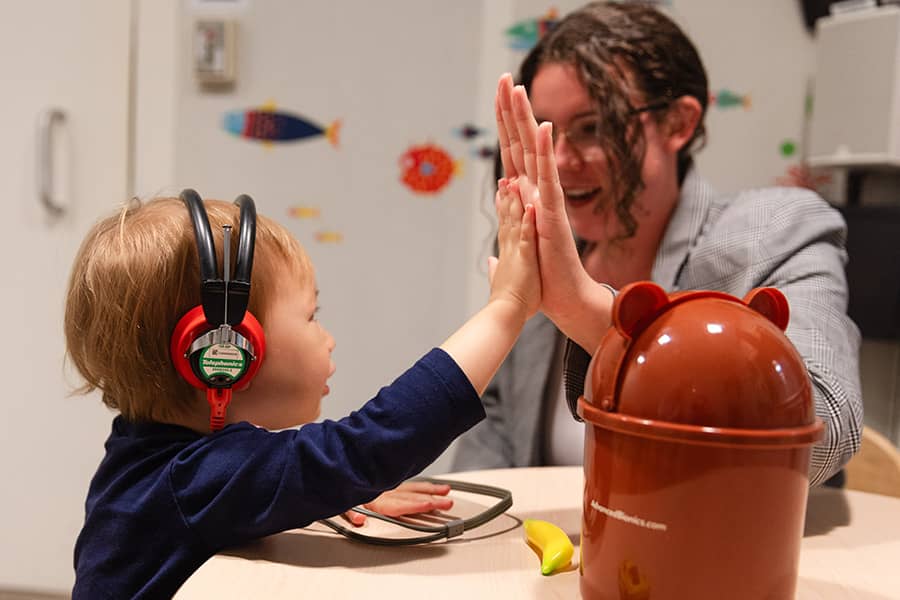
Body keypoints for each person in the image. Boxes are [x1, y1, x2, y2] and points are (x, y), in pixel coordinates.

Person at [452, 1, 862, 486]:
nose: (560, 161)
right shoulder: (553, 254)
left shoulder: (775, 232)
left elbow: (825, 433)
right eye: (546, 134)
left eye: (593, 127)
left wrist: (591, 316)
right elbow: (494, 426)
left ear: (678, 124)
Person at [66, 187, 539, 599]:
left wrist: (325, 493)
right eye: (312, 316)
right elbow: (366, 448)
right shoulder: (194, 481)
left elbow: (250, 489)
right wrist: (507, 308)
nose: (327, 337)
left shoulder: (149, 456)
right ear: (229, 353)